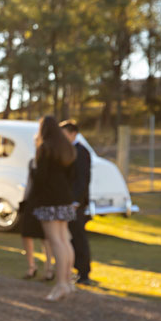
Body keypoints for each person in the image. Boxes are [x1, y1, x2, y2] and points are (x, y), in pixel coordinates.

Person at [29, 116, 77, 301]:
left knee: (55, 241)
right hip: (65, 198)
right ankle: (68, 282)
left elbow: (40, 178)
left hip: (49, 200)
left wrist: (34, 165)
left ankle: (61, 284)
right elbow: (70, 176)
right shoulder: (67, 149)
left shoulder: (45, 148)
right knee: (65, 240)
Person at [60, 119, 93, 285]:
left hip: (76, 203)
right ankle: (72, 269)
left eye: (64, 134)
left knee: (78, 236)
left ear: (73, 133)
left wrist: (75, 200)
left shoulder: (81, 152)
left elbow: (82, 179)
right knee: (69, 237)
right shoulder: (68, 151)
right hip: (67, 201)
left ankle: (84, 272)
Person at [18, 157, 56, 280]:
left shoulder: (53, 161)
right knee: (26, 234)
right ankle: (31, 267)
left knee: (45, 236)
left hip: (46, 201)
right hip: (32, 201)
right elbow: (29, 182)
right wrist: (24, 200)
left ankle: (49, 268)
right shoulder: (33, 161)